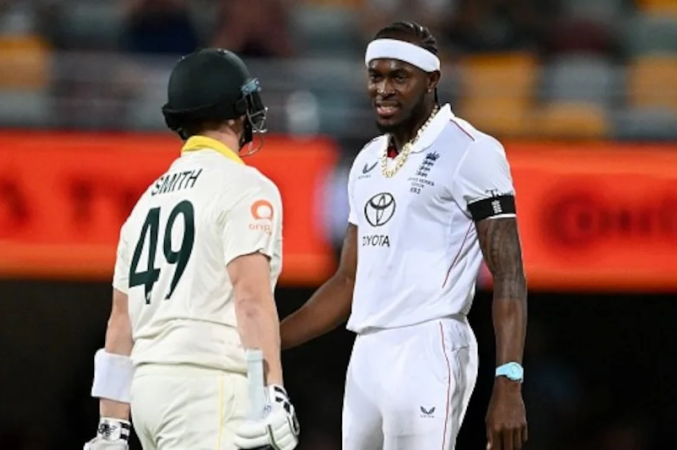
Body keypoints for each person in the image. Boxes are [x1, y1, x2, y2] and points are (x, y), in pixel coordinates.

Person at [280, 21, 529, 450]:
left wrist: (509, 382)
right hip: (366, 353)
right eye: (375, 76)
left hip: (429, 345)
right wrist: (268, 341)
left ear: (432, 79)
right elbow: (348, 281)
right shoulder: (366, 161)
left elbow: (509, 274)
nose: (383, 89)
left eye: (399, 77)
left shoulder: (472, 150)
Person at [82, 48, 299, 450]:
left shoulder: (146, 202)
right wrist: (274, 393)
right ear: (236, 113)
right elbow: (250, 301)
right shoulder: (247, 186)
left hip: (147, 392)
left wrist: (110, 426)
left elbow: (120, 322)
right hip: (206, 388)